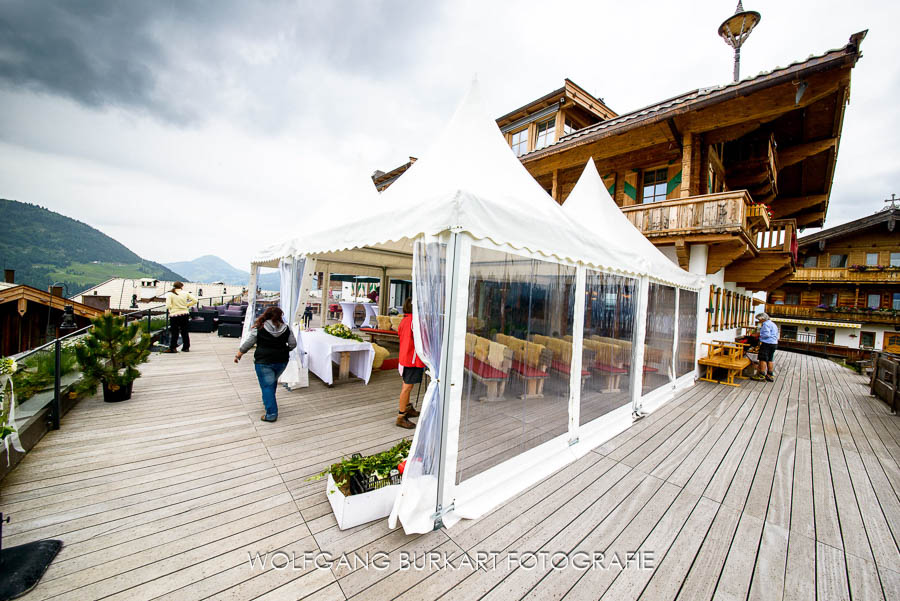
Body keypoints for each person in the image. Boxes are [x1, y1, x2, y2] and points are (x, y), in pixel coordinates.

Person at [234, 306, 297, 422]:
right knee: (271, 383)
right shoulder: (286, 328)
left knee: (267, 386)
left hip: (264, 361)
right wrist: (284, 350)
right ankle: (268, 401)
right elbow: (293, 344)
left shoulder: (259, 327)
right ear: (279, 316)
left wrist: (239, 354)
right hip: (281, 361)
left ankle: (271, 414)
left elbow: (249, 342)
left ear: (266, 315)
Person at [396, 297, 423, 429]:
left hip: (405, 357)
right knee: (406, 387)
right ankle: (401, 416)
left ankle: (407, 408)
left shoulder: (405, 319)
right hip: (411, 359)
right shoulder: (414, 321)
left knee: (407, 386)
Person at [164, 282, 197, 353]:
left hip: (174, 315)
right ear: (181, 286)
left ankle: (173, 348)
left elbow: (168, 306)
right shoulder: (185, 293)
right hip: (185, 314)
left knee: (174, 332)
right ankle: (186, 347)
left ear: (174, 286)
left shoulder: (170, 294)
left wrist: (172, 309)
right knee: (184, 331)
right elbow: (195, 300)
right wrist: (187, 305)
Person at [753, 312, 779, 382]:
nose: (759, 321)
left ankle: (761, 375)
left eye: (759, 319)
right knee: (770, 359)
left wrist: (758, 335)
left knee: (763, 358)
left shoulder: (765, 324)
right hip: (774, 343)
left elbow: (766, 334)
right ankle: (770, 374)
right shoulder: (773, 324)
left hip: (767, 343)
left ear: (762, 318)